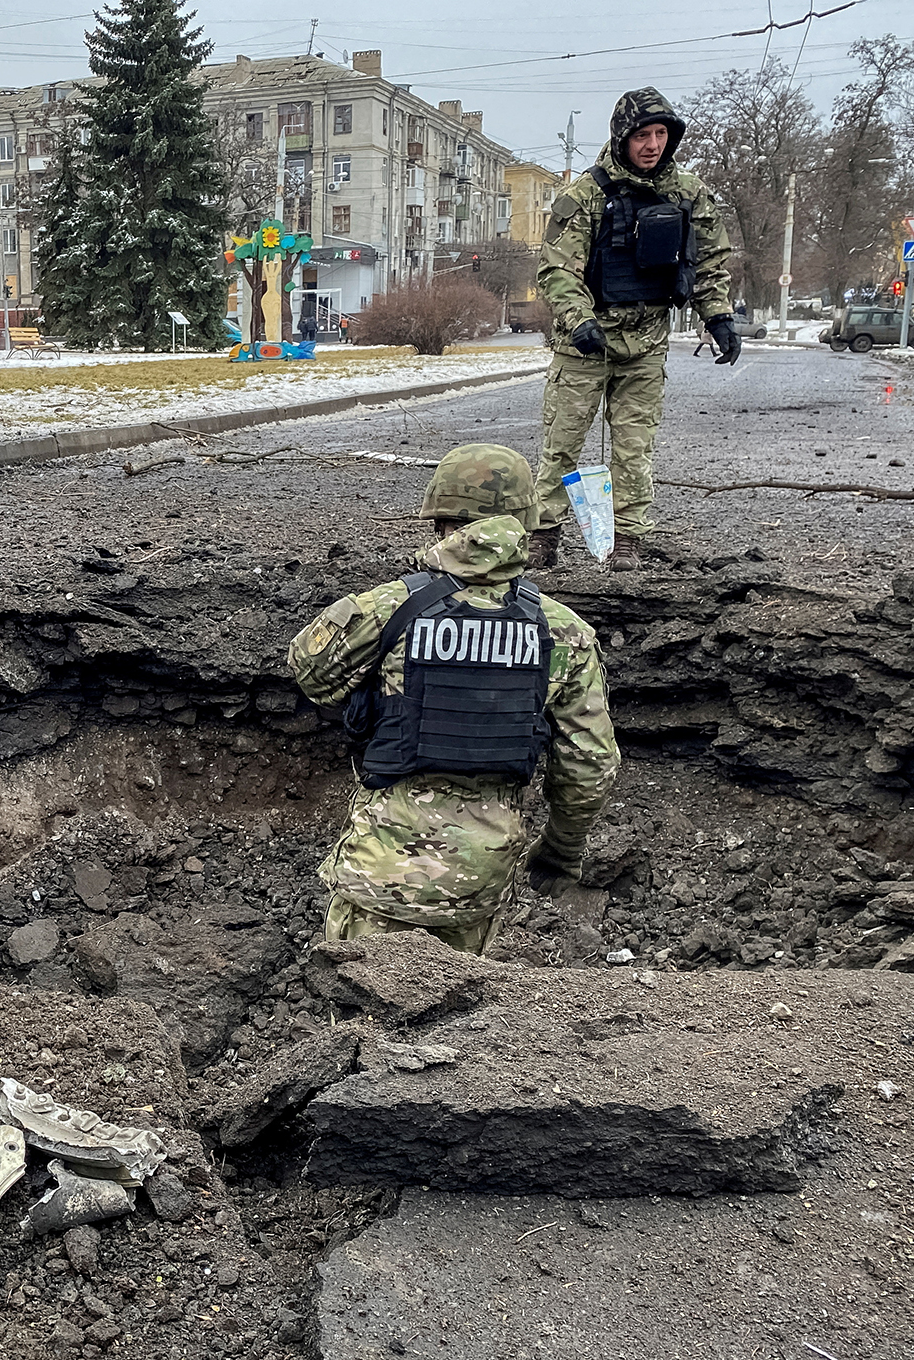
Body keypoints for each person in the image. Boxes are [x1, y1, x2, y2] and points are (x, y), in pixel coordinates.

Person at [288, 444, 621, 954]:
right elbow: (590, 766)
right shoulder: (563, 631)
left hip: (378, 874)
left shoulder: (391, 607)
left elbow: (310, 674)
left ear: (441, 522)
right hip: (479, 883)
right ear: (525, 525)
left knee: (352, 1001)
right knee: (455, 1002)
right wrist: (561, 851)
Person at [530, 87, 733, 573]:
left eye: (661, 134)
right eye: (642, 135)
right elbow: (556, 270)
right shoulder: (585, 195)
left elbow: (709, 263)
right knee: (562, 444)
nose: (652, 144)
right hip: (585, 344)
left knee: (634, 446)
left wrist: (718, 316)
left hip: (646, 343)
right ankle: (543, 534)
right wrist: (579, 320)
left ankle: (627, 540)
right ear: (623, 137)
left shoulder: (688, 193)